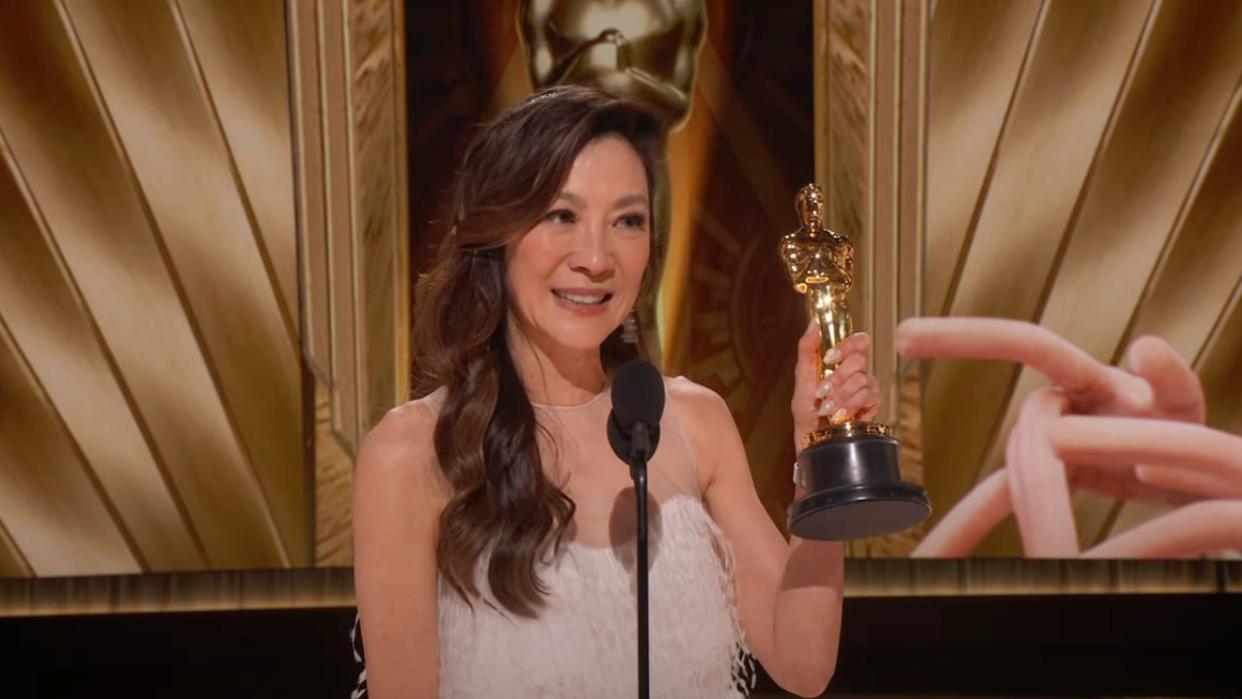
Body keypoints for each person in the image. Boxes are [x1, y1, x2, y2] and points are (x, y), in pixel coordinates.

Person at [351, 85, 882, 698]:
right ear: (498, 233)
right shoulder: (411, 453)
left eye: (627, 220)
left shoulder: (693, 422)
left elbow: (803, 661)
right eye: (561, 216)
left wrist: (818, 449)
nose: (597, 258)